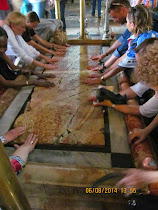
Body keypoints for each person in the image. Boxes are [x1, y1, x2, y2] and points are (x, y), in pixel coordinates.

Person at [84, 5, 158, 85]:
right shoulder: (142, 34)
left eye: (127, 22)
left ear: (132, 24)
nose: (126, 25)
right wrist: (102, 74)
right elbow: (123, 57)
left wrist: (101, 79)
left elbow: (120, 66)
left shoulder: (141, 42)